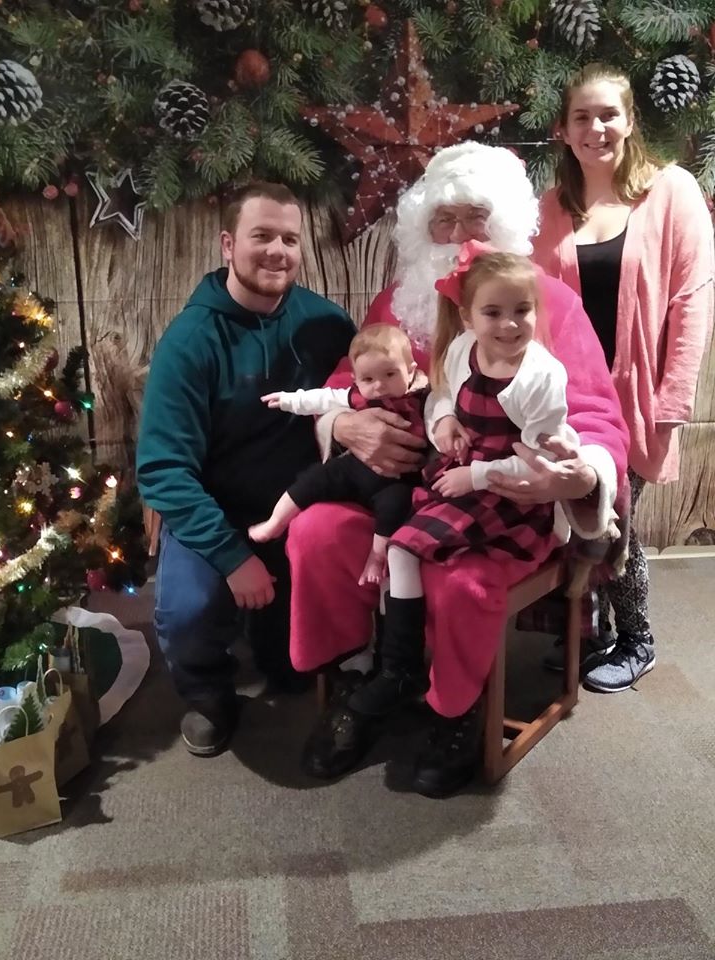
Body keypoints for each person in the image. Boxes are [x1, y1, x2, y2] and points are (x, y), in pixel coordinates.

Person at [286, 142, 630, 798]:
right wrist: (343, 424)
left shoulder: (545, 302)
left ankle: (457, 706)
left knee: (460, 583)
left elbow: (592, 417)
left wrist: (578, 476)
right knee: (318, 535)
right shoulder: (398, 301)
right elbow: (344, 383)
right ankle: (366, 674)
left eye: (473, 216)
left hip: (497, 493)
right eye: (441, 220)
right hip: (394, 489)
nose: (456, 234)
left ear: (502, 223)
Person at [136, 181, 355, 756]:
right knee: (189, 612)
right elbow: (162, 470)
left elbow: (360, 403)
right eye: (262, 236)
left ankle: (282, 646)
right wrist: (234, 560)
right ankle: (208, 691)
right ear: (228, 244)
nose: (277, 251)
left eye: (290, 238)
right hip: (217, 514)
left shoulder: (329, 326)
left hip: (299, 510)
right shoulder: (189, 341)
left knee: (292, 667)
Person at [532, 63, 714, 693]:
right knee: (581, 512)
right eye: (581, 116)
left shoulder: (671, 191)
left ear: (630, 121)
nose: (595, 127)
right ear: (564, 128)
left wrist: (673, 397)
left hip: (635, 393)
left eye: (608, 113)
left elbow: (694, 296)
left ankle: (637, 636)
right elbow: (534, 305)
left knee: (619, 519)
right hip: (570, 399)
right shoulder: (550, 209)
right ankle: (594, 631)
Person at [349, 246, 580, 718]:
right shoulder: (461, 350)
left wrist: (475, 475)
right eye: (493, 312)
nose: (509, 325)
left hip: (513, 496)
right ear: (468, 317)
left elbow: (538, 465)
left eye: (522, 311)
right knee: (398, 546)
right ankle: (402, 666)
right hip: (463, 473)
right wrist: (446, 422)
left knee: (408, 548)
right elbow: (444, 397)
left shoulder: (542, 377)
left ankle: (420, 681)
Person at [249, 324, 428, 586]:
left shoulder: (422, 397)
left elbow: (441, 415)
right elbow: (322, 399)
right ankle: (276, 522)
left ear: (410, 371)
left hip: (398, 477)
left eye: (390, 374)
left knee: (396, 506)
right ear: (355, 378)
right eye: (368, 380)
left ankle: (377, 558)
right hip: (354, 467)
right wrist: (289, 401)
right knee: (312, 480)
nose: (379, 386)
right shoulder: (353, 396)